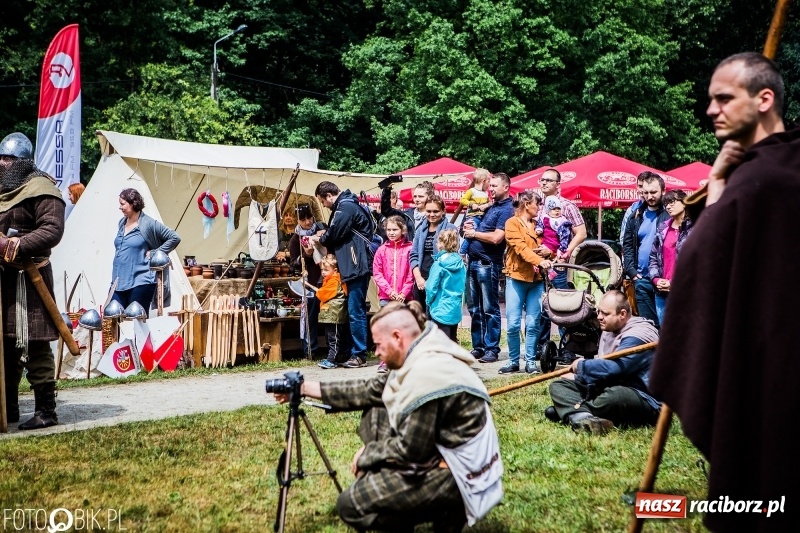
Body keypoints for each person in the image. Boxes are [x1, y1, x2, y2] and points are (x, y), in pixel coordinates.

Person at [650, 52, 798, 533]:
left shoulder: (759, 181)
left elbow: (698, 265)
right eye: (709, 99)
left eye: (723, 98)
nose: (711, 110)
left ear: (764, 99)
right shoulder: (779, 169)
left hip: (770, 365)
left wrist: (716, 185)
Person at [272, 301, 503, 531]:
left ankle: (441, 512)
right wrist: (302, 388)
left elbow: (411, 449)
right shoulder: (420, 352)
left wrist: (367, 455)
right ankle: (403, 496)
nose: (376, 352)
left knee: (350, 504)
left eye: (379, 344)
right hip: (443, 452)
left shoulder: (428, 373)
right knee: (376, 411)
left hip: (463, 476)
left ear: (397, 337)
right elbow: (369, 390)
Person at [0, 132, 66, 430]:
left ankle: (46, 411)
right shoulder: (2, 190)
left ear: (22, 162)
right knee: (5, 346)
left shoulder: (42, 188)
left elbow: (52, 229)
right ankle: (8, 407)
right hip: (3, 280)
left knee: (36, 345)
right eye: (0, 158)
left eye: (8, 159)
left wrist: (15, 245)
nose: (3, 163)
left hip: (30, 279)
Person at [545, 290, 660, 435]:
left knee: (616, 396)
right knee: (559, 385)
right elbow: (605, 372)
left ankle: (571, 410)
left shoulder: (638, 336)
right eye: (599, 312)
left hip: (643, 397)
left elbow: (616, 369)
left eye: (605, 314)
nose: (599, 317)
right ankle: (582, 416)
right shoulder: (609, 330)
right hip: (609, 384)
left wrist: (581, 365)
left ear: (622, 314)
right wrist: (579, 378)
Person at [313, 181, 373, 368]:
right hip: (351, 264)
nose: (323, 205)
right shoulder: (346, 205)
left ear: (329, 196)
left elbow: (334, 234)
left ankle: (360, 354)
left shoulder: (345, 207)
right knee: (349, 310)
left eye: (323, 201)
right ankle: (347, 352)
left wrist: (320, 238)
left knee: (356, 311)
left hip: (355, 264)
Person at [534, 168, 587, 357]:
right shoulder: (536, 205)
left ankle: (568, 348)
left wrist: (565, 252)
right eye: (542, 180)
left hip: (559, 264)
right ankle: (542, 348)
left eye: (549, 180)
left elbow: (581, 233)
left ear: (558, 185)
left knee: (564, 306)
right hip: (538, 263)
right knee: (541, 307)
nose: (544, 183)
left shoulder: (567, 206)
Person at [463, 173, 515, 363]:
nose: (490, 189)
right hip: (473, 262)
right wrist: (469, 226)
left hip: (488, 263)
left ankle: (492, 348)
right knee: (474, 308)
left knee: (490, 309)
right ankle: (479, 347)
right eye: (490, 185)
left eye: (494, 186)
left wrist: (473, 233)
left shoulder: (508, 209)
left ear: (506, 187)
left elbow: (496, 238)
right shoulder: (492, 207)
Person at [499, 191, 553, 374]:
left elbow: (549, 245)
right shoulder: (512, 223)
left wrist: (548, 252)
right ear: (526, 204)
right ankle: (514, 361)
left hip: (536, 279)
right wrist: (539, 260)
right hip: (516, 277)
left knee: (533, 323)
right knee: (513, 323)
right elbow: (521, 248)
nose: (539, 207)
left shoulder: (539, 225)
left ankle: (530, 362)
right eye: (537, 204)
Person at [111, 188, 181, 312]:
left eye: (122, 204)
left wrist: (155, 253)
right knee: (113, 317)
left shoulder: (148, 224)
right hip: (119, 281)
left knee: (137, 319)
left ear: (133, 204)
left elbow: (174, 237)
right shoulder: (121, 223)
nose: (120, 207)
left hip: (141, 280)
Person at [621, 171, 668, 326]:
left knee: (666, 326)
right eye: (646, 192)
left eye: (653, 192)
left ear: (663, 191)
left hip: (663, 281)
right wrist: (632, 272)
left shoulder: (670, 215)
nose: (649, 196)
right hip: (641, 279)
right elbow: (627, 244)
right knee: (648, 327)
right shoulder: (636, 215)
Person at [373, 215, 414, 372]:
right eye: (388, 229)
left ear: (402, 230)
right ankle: (385, 360)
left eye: (394, 229)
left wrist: (404, 292)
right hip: (386, 297)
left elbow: (411, 274)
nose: (391, 232)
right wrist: (390, 291)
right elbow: (377, 273)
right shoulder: (381, 250)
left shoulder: (410, 249)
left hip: (405, 297)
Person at [647, 189, 692, 324]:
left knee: (684, 332)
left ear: (684, 203)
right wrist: (655, 279)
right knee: (665, 334)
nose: (668, 206)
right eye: (666, 203)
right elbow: (653, 257)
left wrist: (673, 282)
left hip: (684, 291)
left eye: (672, 202)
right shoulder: (663, 228)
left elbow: (695, 263)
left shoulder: (694, 228)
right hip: (662, 293)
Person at [288, 204, 327, 357]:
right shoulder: (295, 239)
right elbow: (293, 263)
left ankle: (334, 349)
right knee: (310, 318)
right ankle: (311, 350)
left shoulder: (322, 229)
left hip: (327, 279)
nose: (307, 222)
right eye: (303, 219)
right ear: (298, 221)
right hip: (310, 282)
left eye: (309, 218)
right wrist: (306, 254)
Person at [409, 195, 458, 311]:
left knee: (436, 315)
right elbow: (413, 255)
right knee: (421, 317)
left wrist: (433, 280)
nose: (432, 214)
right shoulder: (421, 229)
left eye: (436, 211)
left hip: (441, 280)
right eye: (429, 211)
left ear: (443, 211)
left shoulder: (450, 229)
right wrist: (418, 278)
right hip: (421, 278)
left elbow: (453, 255)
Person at [425, 228, 466, 342]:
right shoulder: (460, 263)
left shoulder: (439, 264)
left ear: (441, 244)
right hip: (455, 308)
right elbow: (463, 285)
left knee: (439, 343)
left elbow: (430, 287)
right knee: (452, 340)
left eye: (437, 242)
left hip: (440, 308)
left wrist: (428, 302)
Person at [315, 255, 351, 369]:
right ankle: (336, 357)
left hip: (334, 314)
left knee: (333, 338)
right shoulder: (330, 280)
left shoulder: (334, 280)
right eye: (322, 270)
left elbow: (322, 294)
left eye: (326, 270)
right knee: (330, 336)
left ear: (335, 270)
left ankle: (331, 359)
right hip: (331, 314)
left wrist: (319, 292)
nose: (323, 272)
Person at [535, 196, 573, 276]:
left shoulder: (563, 221)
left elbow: (565, 236)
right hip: (546, 242)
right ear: (548, 211)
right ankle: (545, 271)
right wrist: (539, 229)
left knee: (550, 259)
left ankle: (549, 271)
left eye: (558, 209)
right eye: (553, 209)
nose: (556, 211)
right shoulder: (544, 218)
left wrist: (562, 248)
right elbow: (540, 224)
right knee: (539, 254)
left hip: (556, 244)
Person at [457, 168, 491, 256]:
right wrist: (471, 204)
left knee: (478, 234)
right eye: (488, 182)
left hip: (481, 217)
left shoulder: (485, 193)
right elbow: (462, 200)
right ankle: (462, 251)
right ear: (483, 181)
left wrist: (486, 205)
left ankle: (469, 251)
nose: (489, 185)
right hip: (472, 217)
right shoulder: (471, 191)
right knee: (472, 233)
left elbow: (490, 202)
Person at [618, 174, 646, 247]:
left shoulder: (661, 210)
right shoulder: (631, 210)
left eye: (645, 186)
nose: (642, 190)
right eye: (640, 186)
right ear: (636, 187)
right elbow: (623, 239)